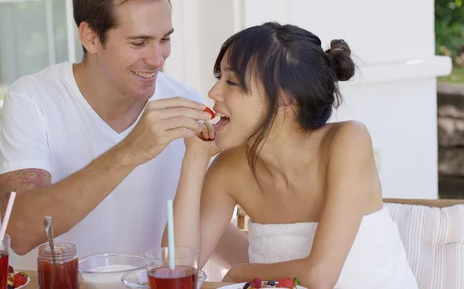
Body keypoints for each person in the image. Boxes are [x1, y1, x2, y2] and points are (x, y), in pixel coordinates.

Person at [0, 0, 247, 271]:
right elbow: (20, 232)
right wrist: (131, 151)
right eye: (139, 42)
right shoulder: (33, 99)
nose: (157, 59)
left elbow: (206, 227)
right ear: (90, 37)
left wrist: (283, 271)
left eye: (164, 39)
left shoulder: (185, 103)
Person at [165, 22, 418, 289]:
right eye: (219, 79)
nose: (214, 92)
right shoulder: (229, 169)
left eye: (232, 82)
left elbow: (320, 276)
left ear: (284, 99)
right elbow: (174, 275)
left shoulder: (347, 141)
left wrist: (242, 273)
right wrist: (195, 157)